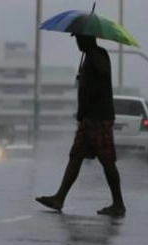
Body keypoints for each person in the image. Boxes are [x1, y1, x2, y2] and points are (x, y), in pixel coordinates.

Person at [35, 34, 126, 217]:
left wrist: (92, 54)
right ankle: (59, 197)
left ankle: (118, 203)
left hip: (98, 118)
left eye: (79, 39)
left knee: (107, 161)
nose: (76, 42)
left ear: (87, 39)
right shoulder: (88, 58)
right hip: (87, 119)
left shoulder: (98, 55)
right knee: (75, 157)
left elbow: (102, 72)